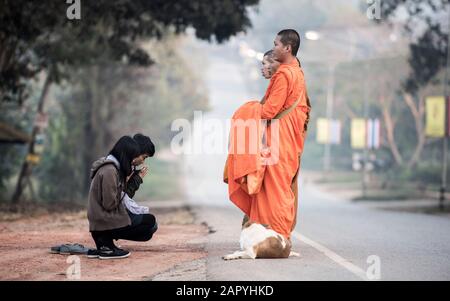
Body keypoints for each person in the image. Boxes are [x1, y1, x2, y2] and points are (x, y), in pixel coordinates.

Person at [225, 29, 311, 239]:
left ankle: (277, 234)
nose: (274, 48)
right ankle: (273, 233)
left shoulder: (284, 74)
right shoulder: (298, 72)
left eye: (276, 45)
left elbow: (269, 112)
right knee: (281, 186)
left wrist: (245, 110)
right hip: (290, 139)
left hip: (279, 140)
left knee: (275, 188)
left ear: (287, 48)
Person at [87, 136, 158, 259]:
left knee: (150, 225)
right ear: (128, 154)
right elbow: (110, 204)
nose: (136, 160)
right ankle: (106, 243)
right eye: (140, 156)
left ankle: (106, 243)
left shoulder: (113, 168)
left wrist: (129, 181)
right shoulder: (110, 170)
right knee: (149, 221)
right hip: (103, 222)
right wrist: (127, 181)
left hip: (102, 220)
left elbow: (118, 198)